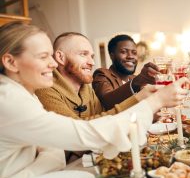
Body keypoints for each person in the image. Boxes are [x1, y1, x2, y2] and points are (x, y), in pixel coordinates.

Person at [0, 22, 189, 178]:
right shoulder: (8, 99)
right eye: (43, 56)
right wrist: (153, 102)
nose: (53, 63)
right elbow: (84, 134)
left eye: (51, 55)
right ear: (10, 62)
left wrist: (27, 173)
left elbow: (58, 150)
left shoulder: (26, 93)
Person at [35, 32, 155, 163]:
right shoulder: (45, 89)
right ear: (60, 57)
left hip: (93, 160)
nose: (92, 62)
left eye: (92, 56)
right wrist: (140, 99)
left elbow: (105, 118)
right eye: (83, 54)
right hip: (64, 168)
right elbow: (79, 134)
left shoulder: (86, 88)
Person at [92, 34, 159, 110]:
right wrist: (135, 83)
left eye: (134, 53)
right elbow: (107, 102)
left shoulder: (134, 78)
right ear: (112, 55)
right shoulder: (102, 74)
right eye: (123, 52)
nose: (130, 56)